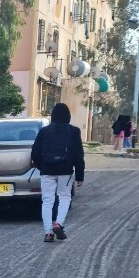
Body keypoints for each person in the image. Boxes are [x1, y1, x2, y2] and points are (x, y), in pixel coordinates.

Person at [32, 103, 85, 242]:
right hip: (65, 171)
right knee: (65, 197)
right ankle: (59, 223)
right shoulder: (74, 131)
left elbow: (35, 152)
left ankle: (48, 233)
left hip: (47, 170)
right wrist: (80, 175)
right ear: (68, 116)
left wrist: (42, 167)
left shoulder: (44, 131)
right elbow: (79, 154)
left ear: (53, 116)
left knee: (48, 201)